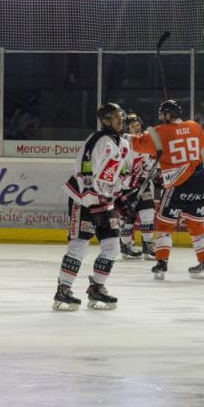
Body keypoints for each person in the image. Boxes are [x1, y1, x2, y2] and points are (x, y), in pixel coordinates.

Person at [52, 103, 130, 311]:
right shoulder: (97, 140)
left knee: (113, 246)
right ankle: (64, 289)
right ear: (105, 120)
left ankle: (97, 287)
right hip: (83, 199)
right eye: (116, 117)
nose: (120, 121)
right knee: (80, 244)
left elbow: (119, 172)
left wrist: (121, 197)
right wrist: (91, 200)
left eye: (121, 117)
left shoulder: (124, 143)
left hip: (105, 201)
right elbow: (85, 169)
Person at [131, 99, 204, 280]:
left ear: (168, 114)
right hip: (200, 181)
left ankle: (161, 263)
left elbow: (138, 144)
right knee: (196, 224)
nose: (162, 118)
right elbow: (200, 144)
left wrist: (124, 137)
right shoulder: (194, 126)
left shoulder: (160, 131)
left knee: (164, 224)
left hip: (177, 183)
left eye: (163, 114)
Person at [119, 112, 156, 260]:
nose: (136, 128)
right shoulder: (122, 143)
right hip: (126, 188)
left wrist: (146, 175)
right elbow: (118, 167)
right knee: (128, 218)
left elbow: (148, 163)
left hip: (142, 185)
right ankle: (125, 247)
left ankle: (147, 246)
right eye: (133, 126)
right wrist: (130, 179)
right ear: (127, 128)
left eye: (138, 125)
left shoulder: (144, 141)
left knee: (148, 213)